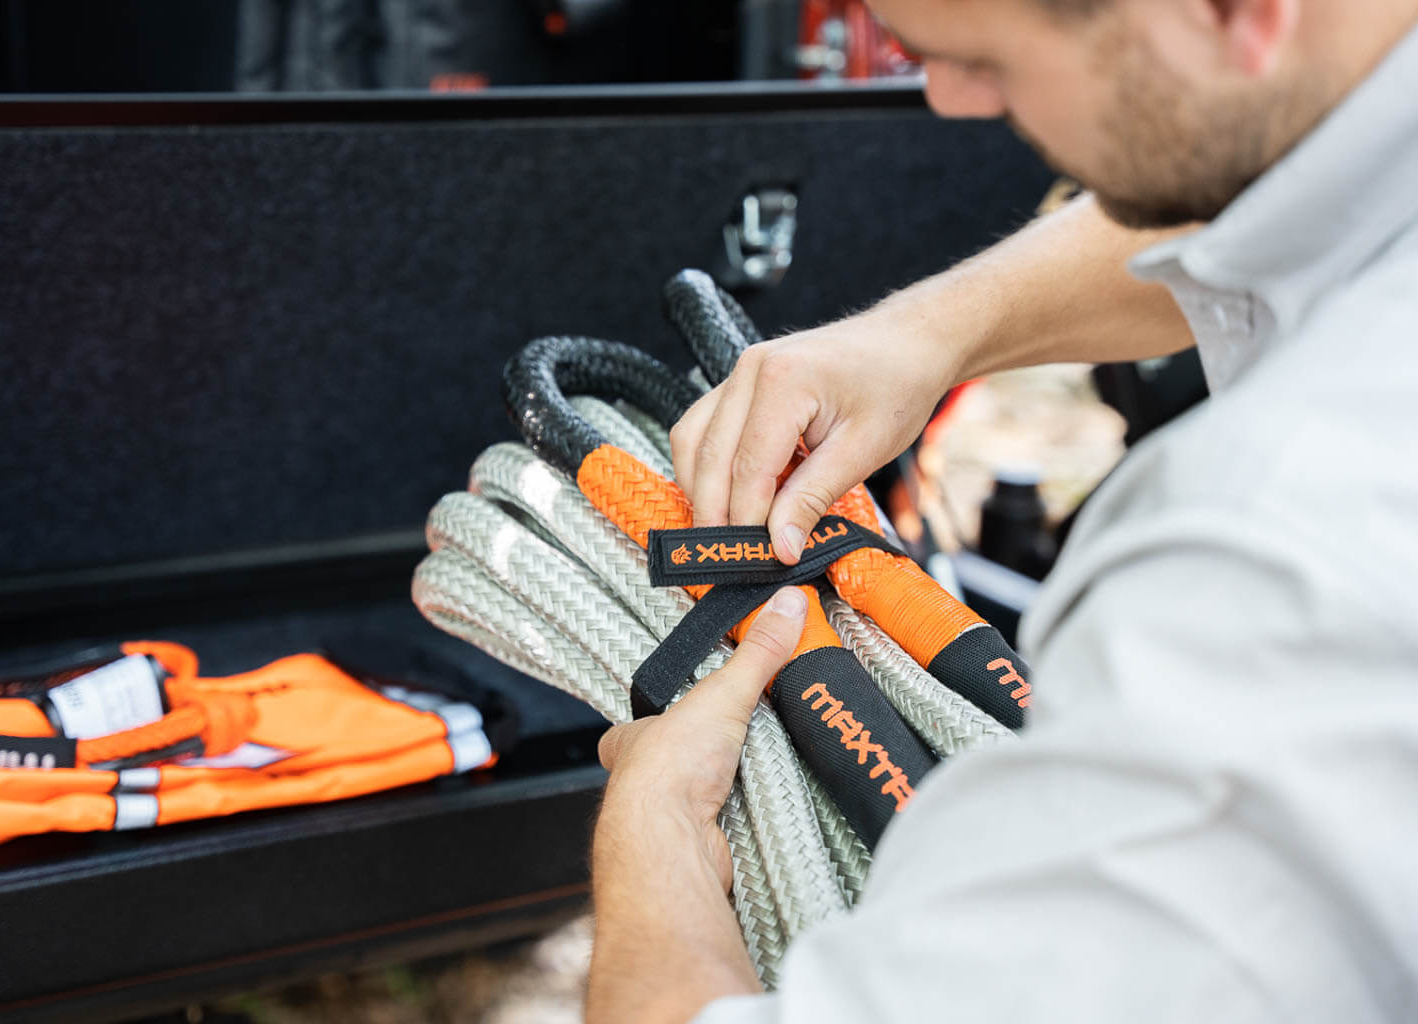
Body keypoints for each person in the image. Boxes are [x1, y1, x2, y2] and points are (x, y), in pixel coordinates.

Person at [585, 0, 1418, 1020]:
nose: (949, 98)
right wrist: (929, 333)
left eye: (984, 59)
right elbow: (1262, 193)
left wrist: (657, 833)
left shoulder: (1267, 567)